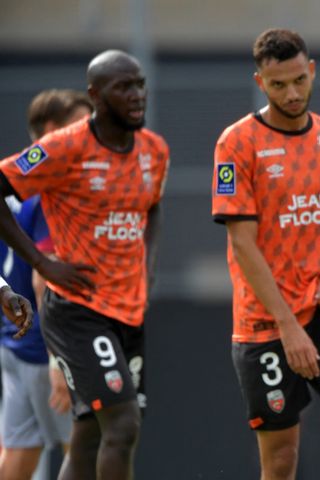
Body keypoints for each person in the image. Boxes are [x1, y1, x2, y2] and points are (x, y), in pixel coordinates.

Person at [212, 28, 320, 480]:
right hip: (267, 323)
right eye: (278, 85)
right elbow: (242, 242)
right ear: (260, 83)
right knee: (282, 461)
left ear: (311, 72)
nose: (291, 93)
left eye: (298, 81)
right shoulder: (237, 143)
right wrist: (288, 328)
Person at [0, 49, 170, 480]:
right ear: (95, 95)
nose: (136, 95)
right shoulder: (62, 147)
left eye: (140, 84)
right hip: (77, 311)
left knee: (89, 435)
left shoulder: (154, 150)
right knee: (123, 424)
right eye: (123, 87)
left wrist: (146, 266)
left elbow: (152, 208)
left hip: (127, 311)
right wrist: (42, 262)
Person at [0, 88, 92, 480]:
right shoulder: (46, 191)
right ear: (54, 131)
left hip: (14, 343)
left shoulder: (11, 188)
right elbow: (45, 278)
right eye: (83, 125)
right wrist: (59, 359)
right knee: (84, 450)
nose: (91, 136)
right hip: (46, 346)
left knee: (19, 454)